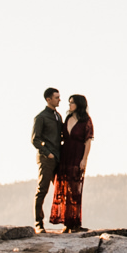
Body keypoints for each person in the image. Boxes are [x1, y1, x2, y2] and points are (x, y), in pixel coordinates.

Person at [50, 92, 93, 233]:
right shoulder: (67, 118)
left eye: (72, 102)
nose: (69, 105)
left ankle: (75, 223)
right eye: (69, 102)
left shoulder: (86, 120)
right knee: (64, 188)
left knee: (75, 189)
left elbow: (88, 141)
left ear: (79, 104)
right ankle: (66, 223)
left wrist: (84, 159)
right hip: (65, 155)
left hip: (77, 155)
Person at [31, 87, 63, 233]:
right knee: (42, 190)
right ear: (48, 99)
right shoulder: (41, 117)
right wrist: (47, 153)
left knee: (62, 190)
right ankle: (39, 223)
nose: (59, 99)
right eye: (56, 97)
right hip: (46, 159)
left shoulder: (58, 116)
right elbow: (34, 139)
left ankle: (67, 222)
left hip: (58, 157)